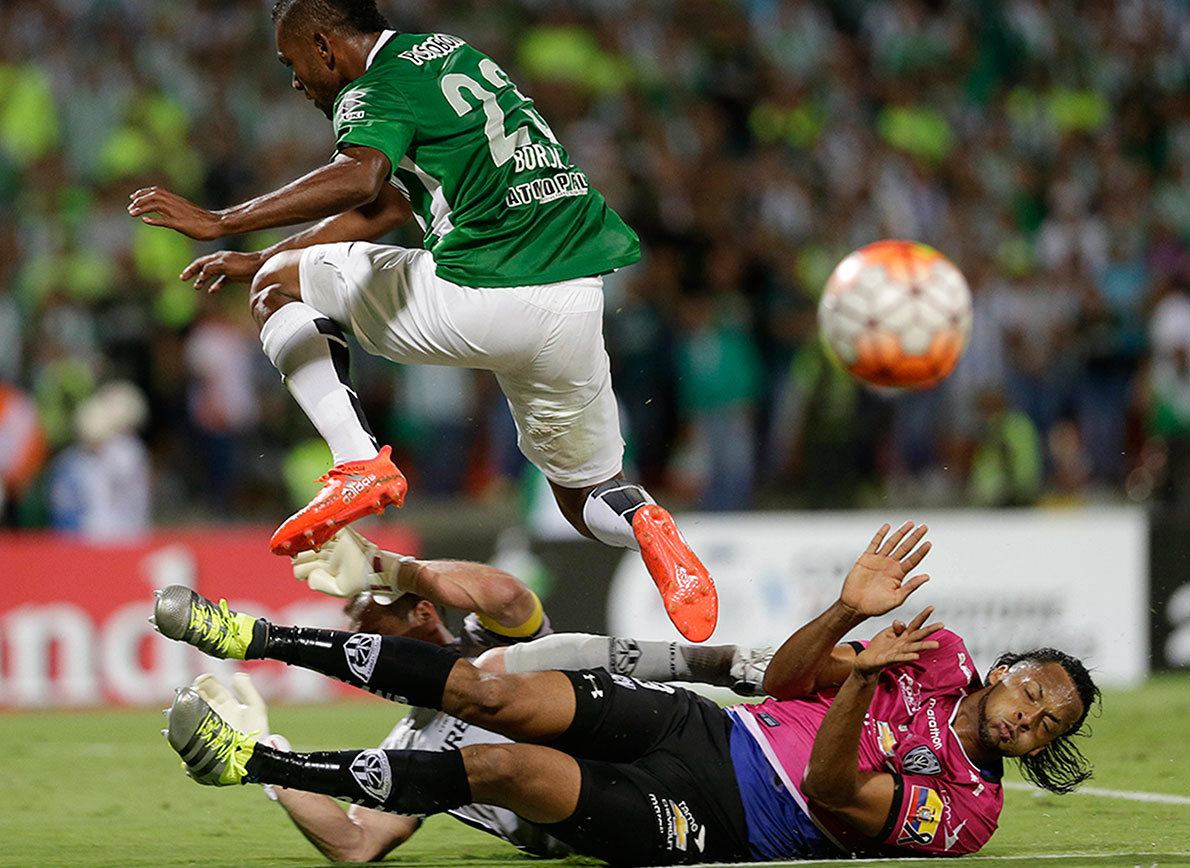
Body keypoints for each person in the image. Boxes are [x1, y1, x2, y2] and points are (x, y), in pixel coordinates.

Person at [125, 0, 716, 640]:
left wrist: (222, 223)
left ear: (325, 47)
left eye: (292, 63)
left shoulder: (371, 88)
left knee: (275, 290)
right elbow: (386, 207)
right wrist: (267, 253)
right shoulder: (451, 54)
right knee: (584, 495)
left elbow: (359, 178)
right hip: (574, 298)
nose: (295, 81)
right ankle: (646, 523)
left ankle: (357, 461)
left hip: (486, 291)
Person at [156, 521, 1099, 865]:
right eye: (1035, 692)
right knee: (495, 694)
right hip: (708, 726)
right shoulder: (940, 653)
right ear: (1009, 669)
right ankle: (254, 634)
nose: (1031, 718)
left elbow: (832, 793)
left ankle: (257, 761)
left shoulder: (970, 812)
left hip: (716, 819)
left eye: (1048, 725)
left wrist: (862, 679)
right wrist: (843, 616)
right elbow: (780, 680)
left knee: (501, 767)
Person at [167, 526, 770, 862]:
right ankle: (254, 754)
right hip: (609, 816)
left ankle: (257, 639)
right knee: (497, 758)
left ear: (424, 613)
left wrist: (392, 567)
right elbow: (354, 844)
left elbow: (509, 597)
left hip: (665, 742)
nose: (367, 663)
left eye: (371, 634)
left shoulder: (496, 643)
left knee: (505, 669)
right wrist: (273, 764)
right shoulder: (410, 746)